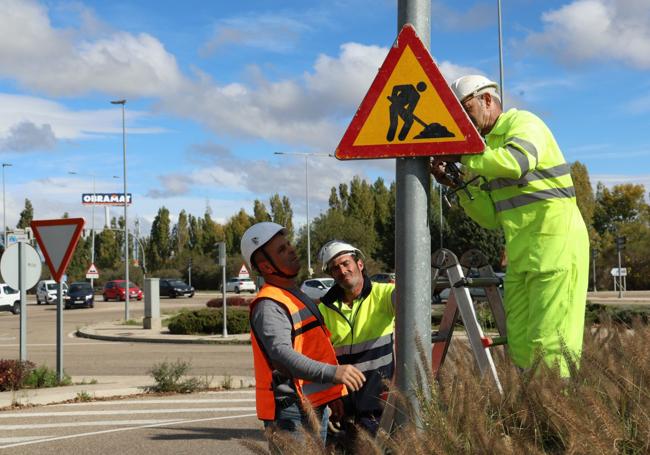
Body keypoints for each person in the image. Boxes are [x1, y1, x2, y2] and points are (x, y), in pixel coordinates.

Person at [431, 75, 589, 377]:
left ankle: (556, 416)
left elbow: (517, 162)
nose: (461, 121)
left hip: (556, 249)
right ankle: (532, 410)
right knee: (519, 342)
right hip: (522, 257)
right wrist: (460, 183)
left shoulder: (524, 124)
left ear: (487, 100)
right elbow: (490, 217)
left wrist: (463, 154)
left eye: (465, 110)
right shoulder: (486, 150)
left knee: (551, 345)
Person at [240, 222, 366, 447]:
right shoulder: (269, 305)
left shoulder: (294, 295)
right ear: (266, 267)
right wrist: (333, 373)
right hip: (291, 413)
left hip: (312, 406)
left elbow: (314, 349)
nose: (291, 249)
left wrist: (330, 393)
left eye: (287, 244)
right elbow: (282, 355)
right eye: (281, 250)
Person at [316, 240, 395, 436]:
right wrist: (332, 396)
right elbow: (321, 358)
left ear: (359, 264)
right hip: (344, 408)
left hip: (379, 404)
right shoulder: (324, 309)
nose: (342, 271)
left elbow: (410, 299)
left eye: (345, 263)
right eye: (335, 268)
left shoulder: (383, 293)